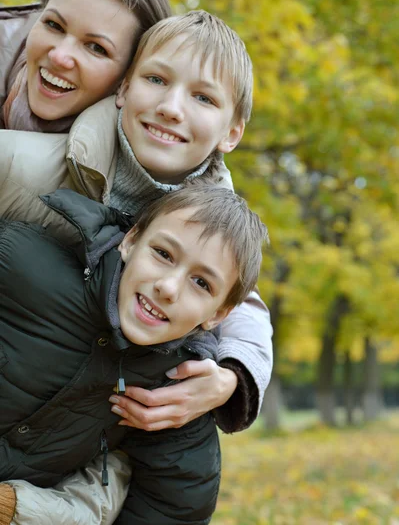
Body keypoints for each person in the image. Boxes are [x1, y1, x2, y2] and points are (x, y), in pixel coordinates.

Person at [0, 0, 273, 524]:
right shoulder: (33, 159)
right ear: (123, 88)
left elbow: (239, 303)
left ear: (233, 131)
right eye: (156, 80)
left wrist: (231, 377)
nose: (172, 108)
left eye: (202, 97)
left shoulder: (209, 221)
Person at [0, 185, 268, 525]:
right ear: (130, 241)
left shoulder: (177, 396)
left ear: (217, 315)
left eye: (201, 283)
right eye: (163, 254)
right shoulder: (19, 264)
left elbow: (173, 508)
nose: (168, 288)